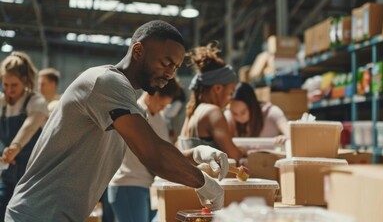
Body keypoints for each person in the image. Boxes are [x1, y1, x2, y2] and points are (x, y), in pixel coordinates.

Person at [5, 20, 228, 222]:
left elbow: (148, 151)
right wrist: (205, 184)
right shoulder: (106, 82)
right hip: (38, 214)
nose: (170, 74)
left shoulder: (128, 104)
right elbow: (154, 155)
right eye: (166, 63)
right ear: (139, 51)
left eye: (175, 68)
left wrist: (196, 155)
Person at [108, 78, 181, 222]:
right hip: (128, 184)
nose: (162, 109)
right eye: (161, 104)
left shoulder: (159, 117)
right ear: (153, 94)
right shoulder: (134, 113)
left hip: (147, 185)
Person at [0, 51, 49, 220]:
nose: (9, 89)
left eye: (14, 85)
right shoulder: (2, 102)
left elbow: (29, 127)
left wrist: (14, 148)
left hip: (31, 175)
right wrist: (4, 153)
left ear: (25, 80)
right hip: (7, 173)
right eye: (5, 85)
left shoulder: (37, 102)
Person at [178, 42, 244, 163]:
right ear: (217, 88)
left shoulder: (191, 113)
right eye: (230, 93)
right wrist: (242, 151)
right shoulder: (212, 112)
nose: (230, 99)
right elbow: (233, 155)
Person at [224, 82, 289, 145]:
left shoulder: (272, 112)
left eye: (243, 112)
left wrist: (283, 138)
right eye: (234, 113)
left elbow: (290, 134)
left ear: (252, 106)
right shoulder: (229, 116)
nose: (239, 117)